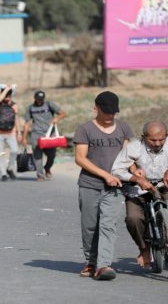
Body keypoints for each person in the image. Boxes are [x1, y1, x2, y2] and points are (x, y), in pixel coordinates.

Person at [74, 91, 134, 281]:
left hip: (115, 186)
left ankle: (104, 265)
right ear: (96, 108)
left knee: (108, 225)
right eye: (106, 112)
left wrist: (134, 170)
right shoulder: (85, 129)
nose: (110, 116)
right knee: (90, 226)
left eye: (113, 112)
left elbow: (128, 156)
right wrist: (105, 175)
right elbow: (80, 159)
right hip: (89, 185)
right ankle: (91, 262)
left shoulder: (124, 128)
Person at [111, 121, 168, 269]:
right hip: (138, 189)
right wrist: (136, 178)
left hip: (163, 186)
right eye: (153, 140)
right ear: (143, 137)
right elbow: (116, 170)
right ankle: (144, 249)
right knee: (133, 218)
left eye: (161, 139)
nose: (157, 143)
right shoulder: (134, 147)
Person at [21, 90, 67, 181]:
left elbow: (63, 113)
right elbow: (26, 123)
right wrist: (24, 138)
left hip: (49, 135)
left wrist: (56, 119)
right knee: (37, 155)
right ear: (34, 98)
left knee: (52, 155)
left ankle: (47, 168)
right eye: (38, 99)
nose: (39, 101)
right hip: (36, 134)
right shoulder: (30, 108)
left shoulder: (49, 104)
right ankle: (40, 175)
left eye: (41, 100)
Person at [0, 84, 21, 182]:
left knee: (15, 150)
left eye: (9, 95)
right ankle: (3, 173)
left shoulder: (14, 105)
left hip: (10, 132)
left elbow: (16, 118)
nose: (7, 97)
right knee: (0, 153)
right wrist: (6, 89)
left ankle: (10, 168)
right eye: (6, 95)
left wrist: (19, 132)